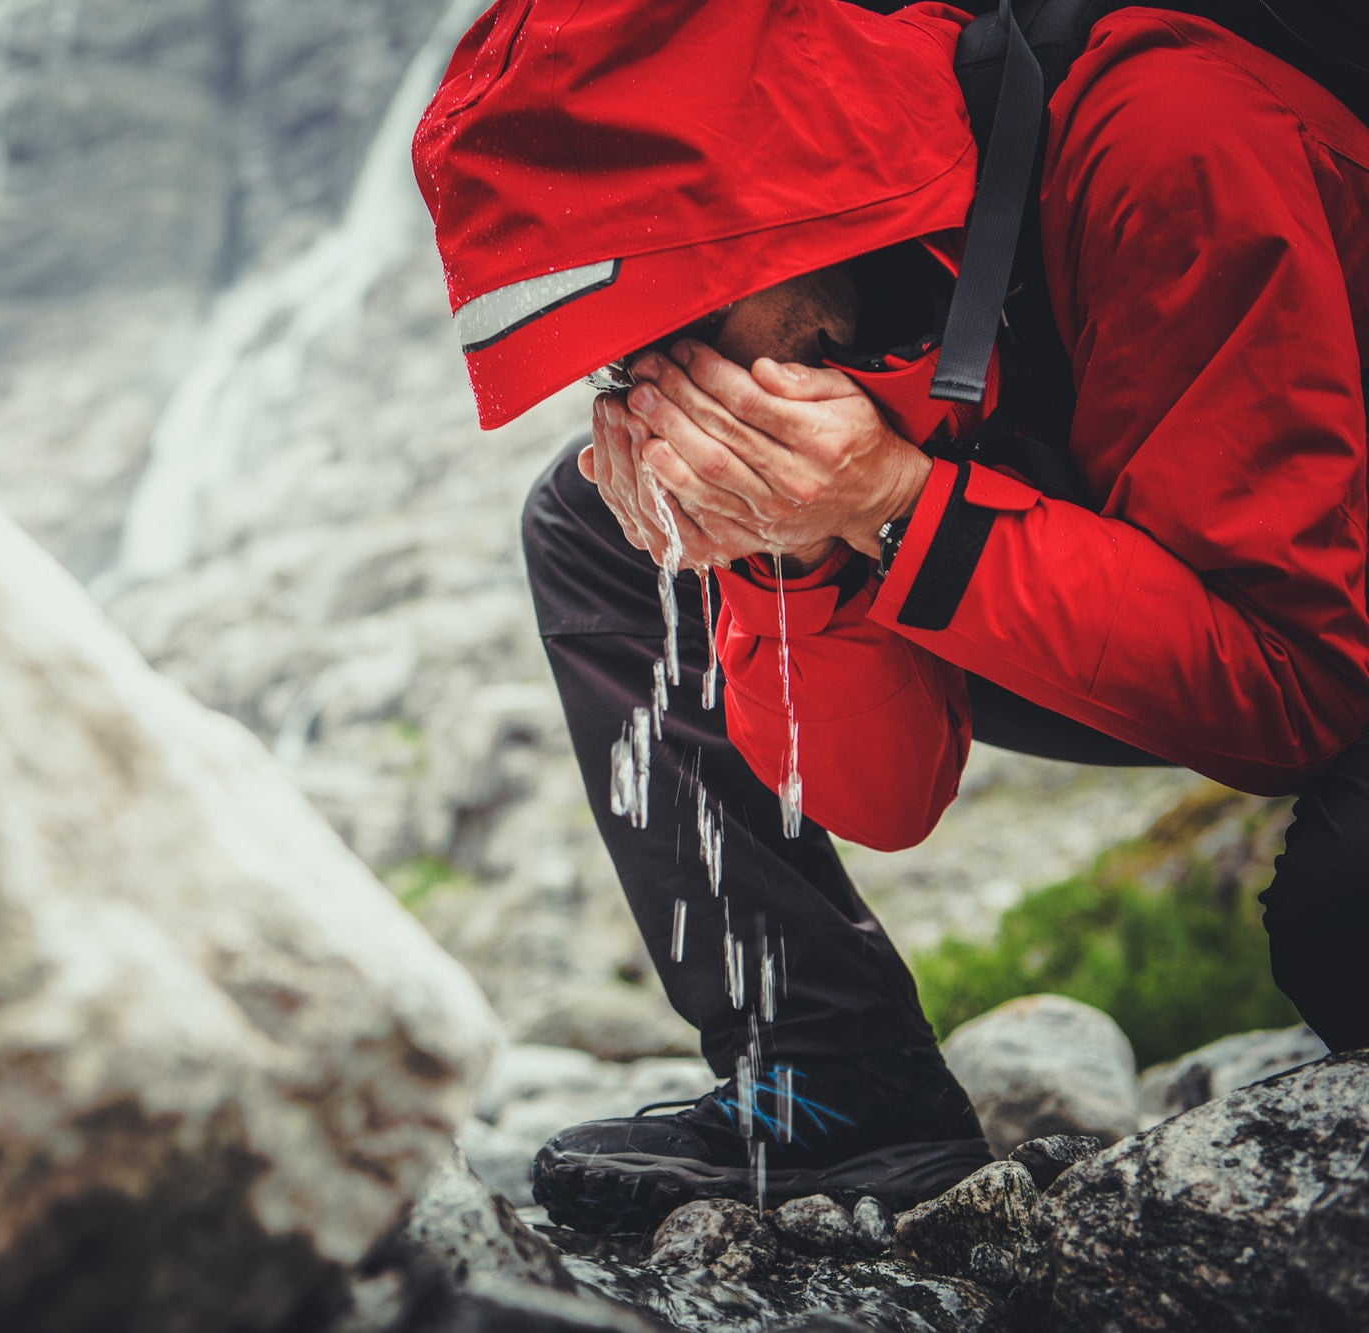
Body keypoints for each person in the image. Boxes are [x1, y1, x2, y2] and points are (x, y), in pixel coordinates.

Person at [411, 0, 1369, 1233]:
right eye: (621, 359)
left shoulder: (1171, 136)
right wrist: (796, 544)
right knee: (601, 522)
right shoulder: (855, 291)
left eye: (674, 320)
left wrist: (898, 505)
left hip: (1317, 624)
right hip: (1165, 581)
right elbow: (879, 796)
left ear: (777, 214)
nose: (658, 383)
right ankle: (833, 1082)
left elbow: (1299, 692)